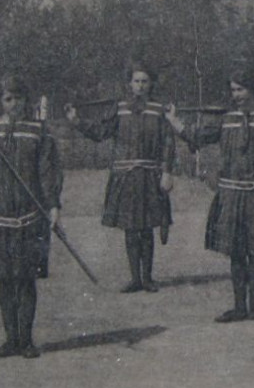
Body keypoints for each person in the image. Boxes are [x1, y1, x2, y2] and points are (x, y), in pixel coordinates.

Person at [169, 71, 254, 322]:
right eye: (233, 90)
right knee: (236, 251)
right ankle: (239, 308)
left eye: (241, 89)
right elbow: (197, 137)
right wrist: (173, 121)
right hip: (230, 195)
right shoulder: (226, 120)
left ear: (253, 90)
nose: (236, 95)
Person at [0, 74, 62, 359]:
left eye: (18, 99)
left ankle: (27, 340)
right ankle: (10, 339)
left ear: (26, 101)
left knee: (25, 279)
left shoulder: (38, 131)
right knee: (5, 280)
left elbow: (48, 171)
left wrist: (53, 206)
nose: (14, 104)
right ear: (1, 102)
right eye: (8, 99)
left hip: (29, 217)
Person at [65, 63, 176, 294]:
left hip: (149, 175)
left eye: (145, 81)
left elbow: (168, 142)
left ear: (151, 84)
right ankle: (135, 278)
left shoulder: (159, 110)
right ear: (129, 84)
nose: (140, 86)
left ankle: (148, 278)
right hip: (125, 177)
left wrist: (167, 172)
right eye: (136, 81)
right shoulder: (120, 108)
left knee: (146, 228)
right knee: (130, 227)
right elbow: (101, 132)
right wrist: (77, 121)